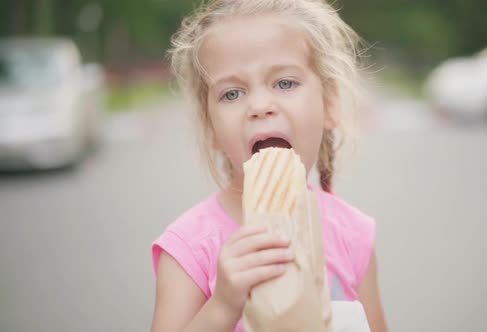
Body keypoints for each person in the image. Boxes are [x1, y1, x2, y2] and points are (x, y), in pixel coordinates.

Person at [150, 1, 387, 331]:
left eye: (285, 83)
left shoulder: (353, 235)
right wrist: (223, 305)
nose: (260, 106)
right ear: (211, 130)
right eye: (232, 94)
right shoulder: (191, 248)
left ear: (329, 103)